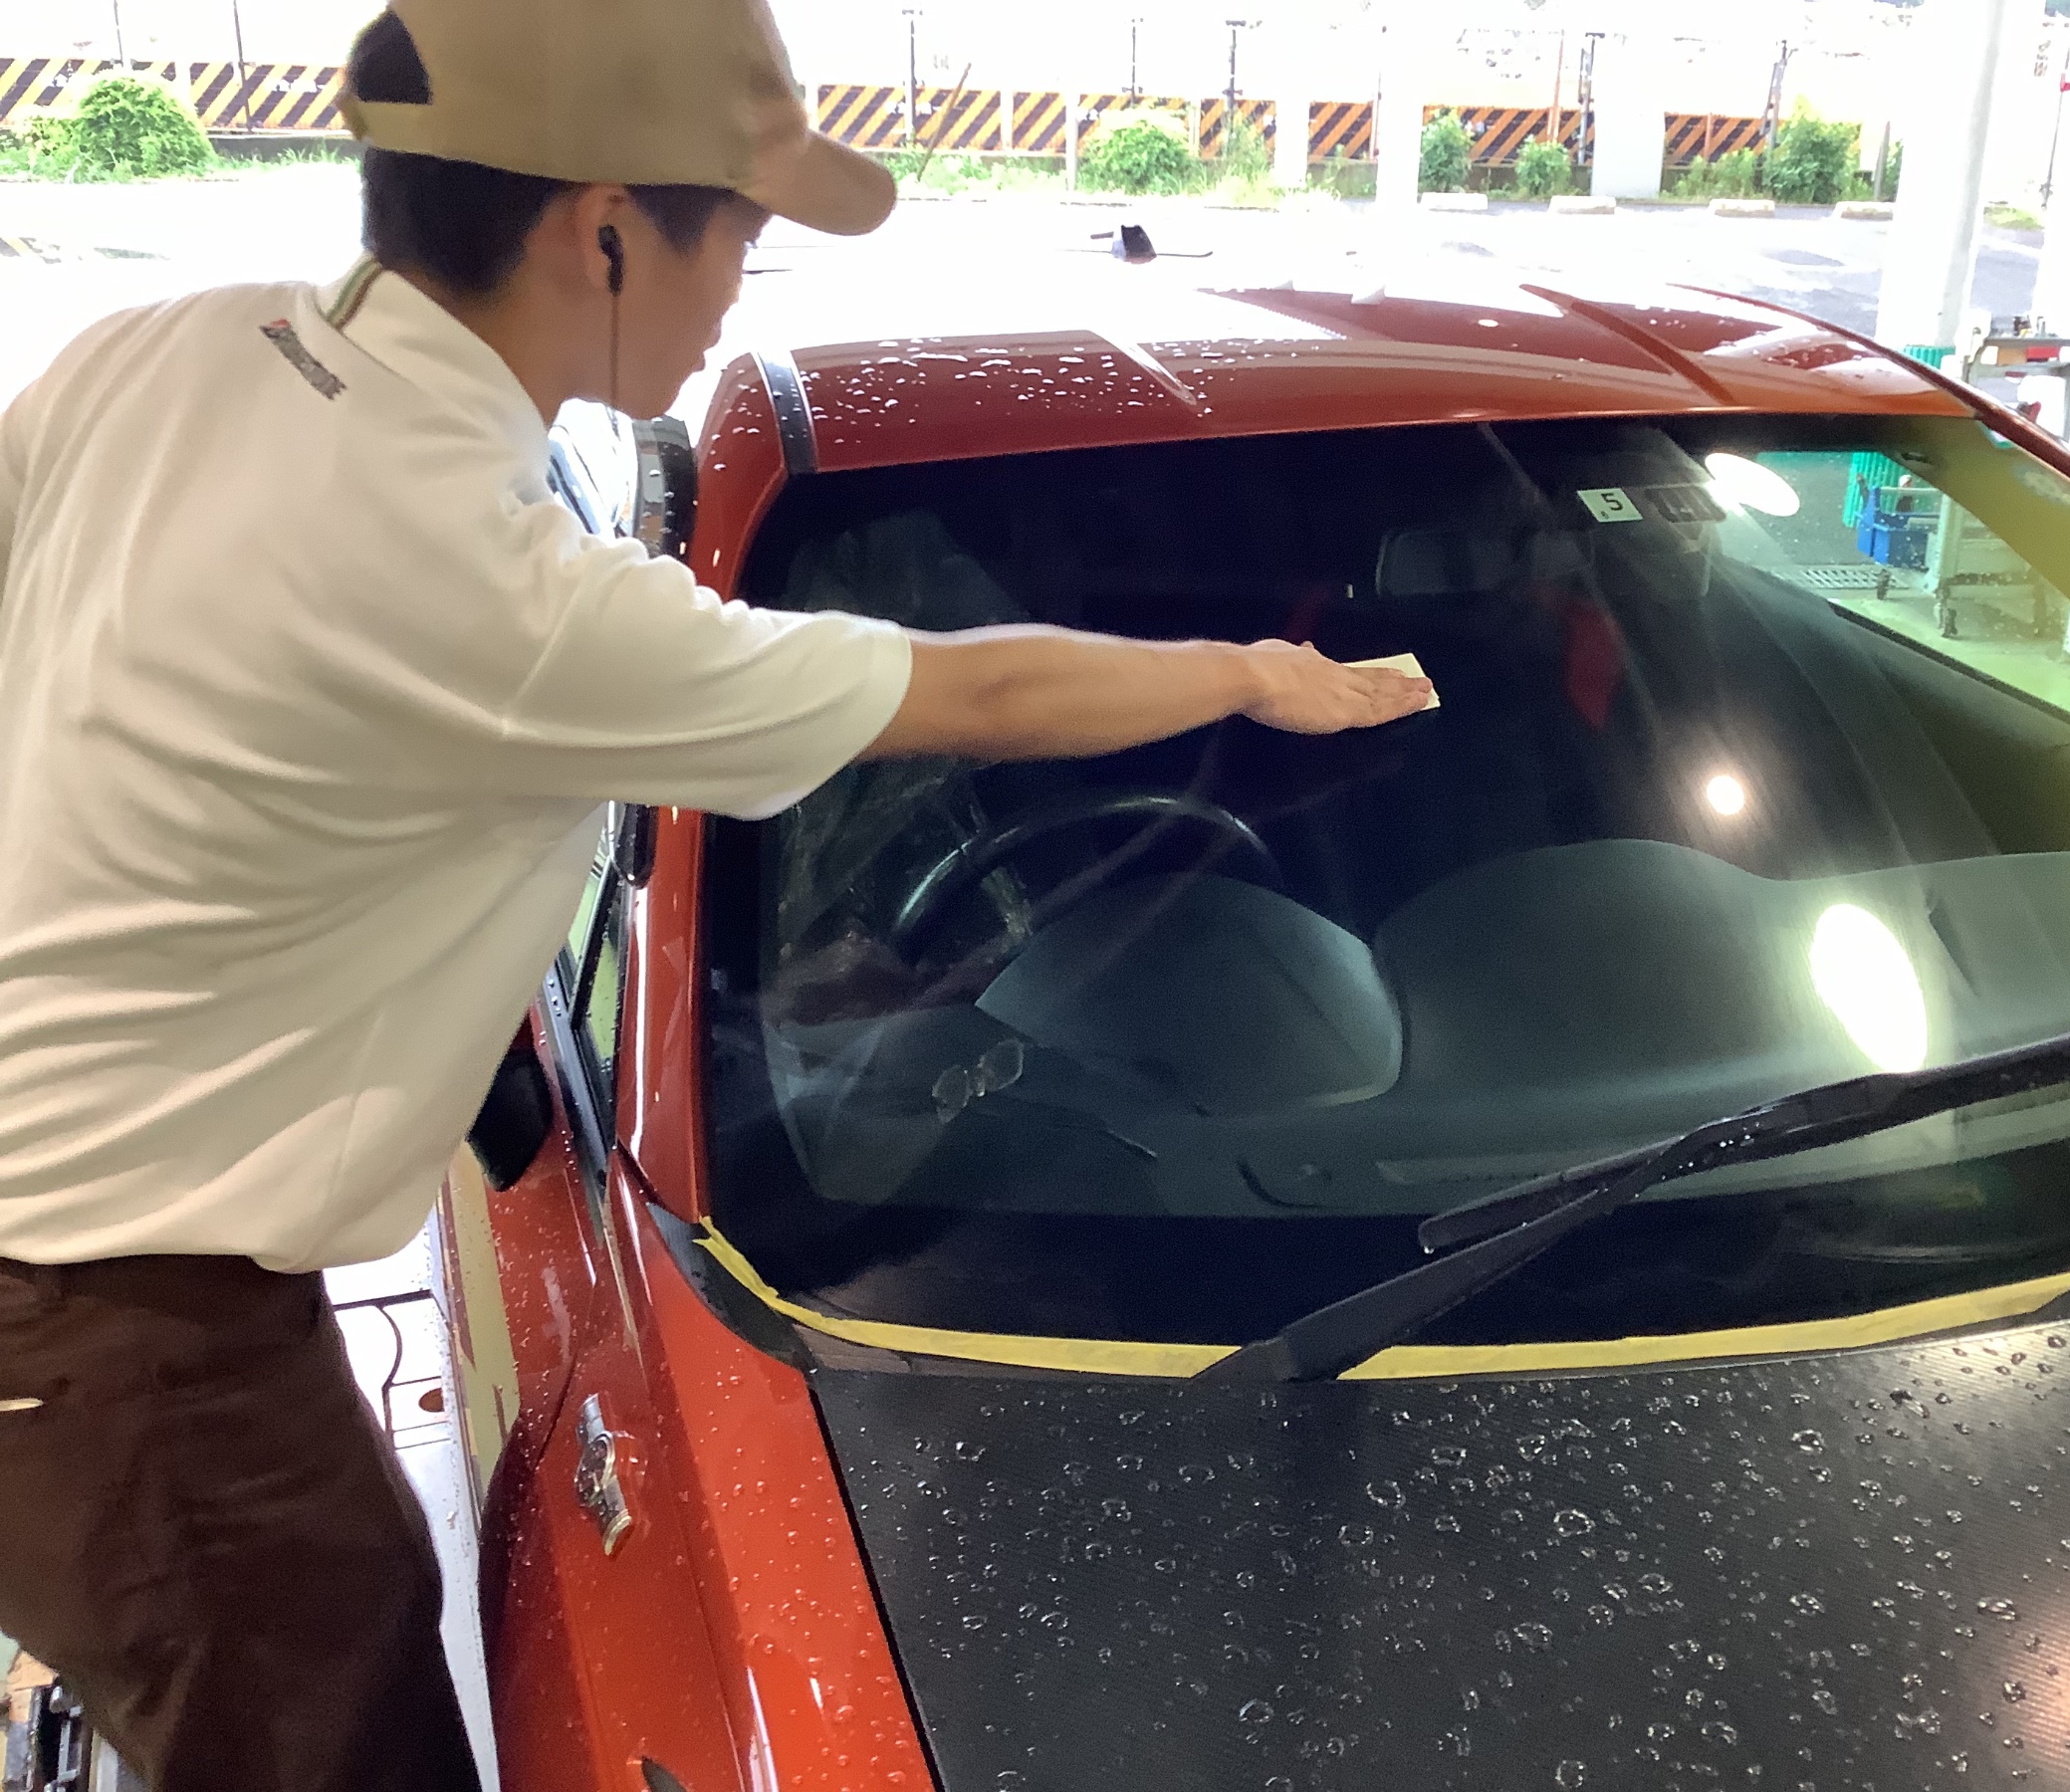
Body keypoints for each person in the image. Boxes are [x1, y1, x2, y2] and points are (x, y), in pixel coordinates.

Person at [0, 1, 1434, 1785]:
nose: (745, 281)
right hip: (123, 1330)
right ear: (602, 230)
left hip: (91, 1285)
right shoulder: (498, 586)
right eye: (741, 229)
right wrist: (1245, 674)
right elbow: (969, 693)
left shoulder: (160, 350)